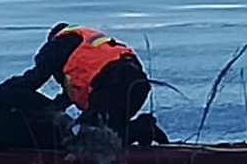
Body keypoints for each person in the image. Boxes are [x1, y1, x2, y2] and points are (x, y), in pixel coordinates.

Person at [17, 23, 166, 145]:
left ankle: (142, 129)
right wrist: (50, 111)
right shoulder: (88, 45)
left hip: (113, 84)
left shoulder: (57, 44)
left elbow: (34, 79)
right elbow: (68, 97)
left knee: (87, 136)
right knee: (110, 131)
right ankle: (140, 135)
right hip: (136, 84)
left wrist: (6, 90)